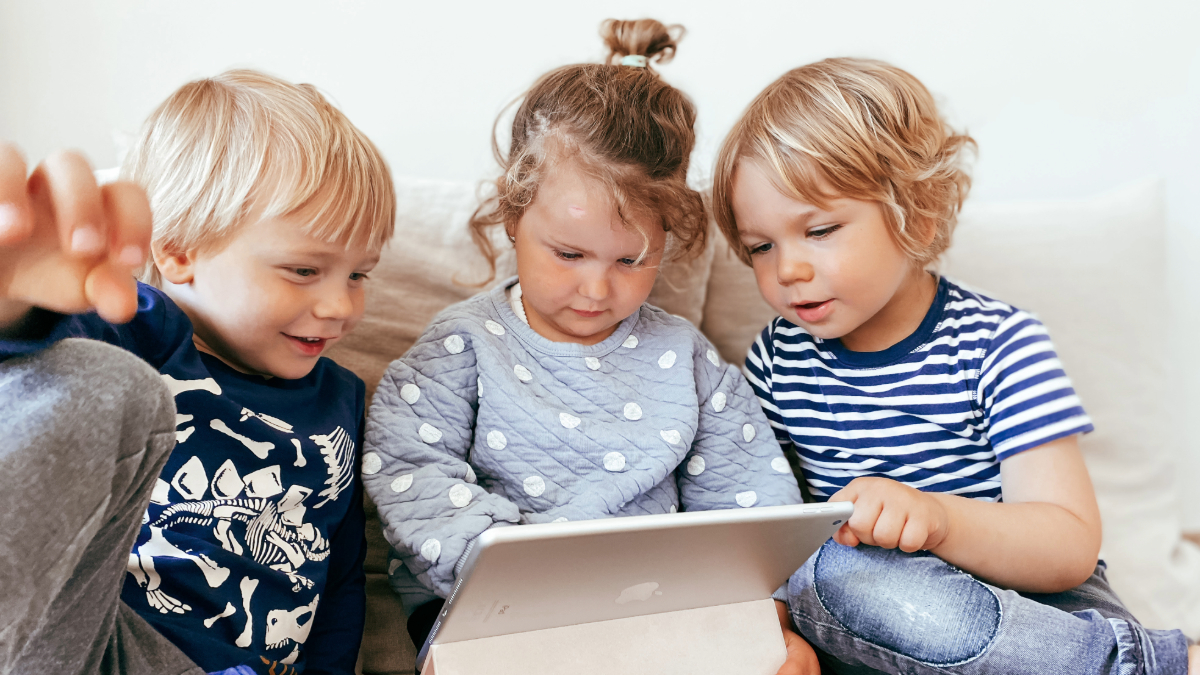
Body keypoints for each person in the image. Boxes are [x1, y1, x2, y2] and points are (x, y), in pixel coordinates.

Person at [711, 57, 1198, 675]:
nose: (787, 269)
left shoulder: (998, 343)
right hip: (873, 627)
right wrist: (780, 636)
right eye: (761, 246)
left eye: (820, 230)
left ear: (918, 213)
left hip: (1038, 616)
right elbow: (764, 543)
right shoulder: (777, 360)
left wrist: (937, 519)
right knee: (827, 574)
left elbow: (1068, 545)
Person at [361, 18, 803, 652]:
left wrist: (764, 617)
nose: (598, 291)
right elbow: (411, 470)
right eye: (569, 254)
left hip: (654, 606)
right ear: (514, 216)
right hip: (493, 605)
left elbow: (747, 495)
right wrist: (504, 560)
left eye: (629, 262)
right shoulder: (464, 344)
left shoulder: (685, 359)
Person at [0, 69, 395, 675]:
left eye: (358, 275)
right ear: (180, 252)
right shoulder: (140, 329)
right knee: (102, 380)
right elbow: (38, 382)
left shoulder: (342, 398)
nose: (341, 306)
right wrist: (18, 307)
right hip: (102, 642)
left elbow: (338, 577)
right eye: (303, 271)